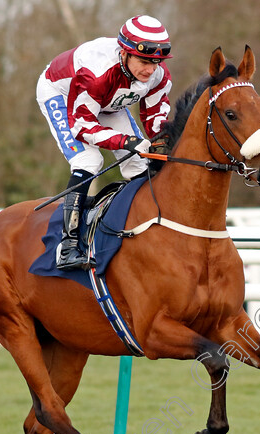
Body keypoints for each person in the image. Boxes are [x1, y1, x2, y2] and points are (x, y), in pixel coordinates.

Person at [36, 15, 173, 270]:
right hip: (64, 95)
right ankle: (67, 246)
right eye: (144, 61)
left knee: (138, 162)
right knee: (89, 160)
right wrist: (126, 140)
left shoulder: (157, 75)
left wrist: (161, 139)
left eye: (156, 63)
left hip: (106, 102)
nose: (150, 70)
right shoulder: (96, 72)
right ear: (125, 54)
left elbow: (155, 118)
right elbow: (83, 126)